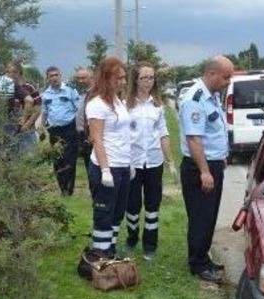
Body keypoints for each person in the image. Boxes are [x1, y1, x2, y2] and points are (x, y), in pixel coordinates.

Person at [179, 56, 234, 282]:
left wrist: (220, 158)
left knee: (209, 215)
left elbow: (215, 132)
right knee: (201, 216)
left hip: (212, 163)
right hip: (199, 167)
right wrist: (204, 171)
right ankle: (198, 265)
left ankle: (204, 257)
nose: (228, 81)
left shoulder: (213, 96)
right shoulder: (195, 99)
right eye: (225, 76)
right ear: (211, 73)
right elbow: (194, 139)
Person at [77, 56, 133, 276]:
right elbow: (97, 139)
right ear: (106, 77)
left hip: (121, 164)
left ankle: (110, 250)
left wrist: (128, 163)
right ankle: (99, 256)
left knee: (118, 212)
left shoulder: (117, 101)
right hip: (105, 166)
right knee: (104, 213)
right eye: (118, 77)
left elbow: (123, 134)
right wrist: (106, 170)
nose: (122, 81)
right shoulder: (96, 104)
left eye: (124, 77)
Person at [124, 62, 178, 261]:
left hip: (154, 162)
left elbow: (163, 134)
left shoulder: (158, 105)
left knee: (153, 205)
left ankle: (150, 244)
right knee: (132, 205)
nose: (148, 81)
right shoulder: (126, 105)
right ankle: (131, 238)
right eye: (144, 77)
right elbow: (122, 136)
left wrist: (170, 162)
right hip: (132, 163)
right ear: (135, 80)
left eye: (151, 77)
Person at [41, 66, 80, 195]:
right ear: (47, 79)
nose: (54, 78)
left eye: (56, 75)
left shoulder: (70, 90)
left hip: (69, 128)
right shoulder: (46, 95)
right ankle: (62, 187)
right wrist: (42, 127)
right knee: (58, 159)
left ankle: (69, 189)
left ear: (60, 76)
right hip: (54, 130)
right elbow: (45, 112)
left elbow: (78, 109)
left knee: (69, 159)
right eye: (51, 76)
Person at [4, 60, 41, 154]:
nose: (10, 74)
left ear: (19, 72)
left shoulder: (29, 87)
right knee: (10, 159)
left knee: (28, 159)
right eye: (7, 72)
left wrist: (27, 124)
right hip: (9, 130)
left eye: (13, 72)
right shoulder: (5, 88)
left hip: (27, 130)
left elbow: (37, 109)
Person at [73, 67, 96, 189]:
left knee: (94, 169)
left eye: (83, 78)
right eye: (78, 78)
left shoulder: (96, 94)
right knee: (89, 167)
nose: (80, 81)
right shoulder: (83, 94)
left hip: (92, 135)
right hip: (82, 135)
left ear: (92, 78)